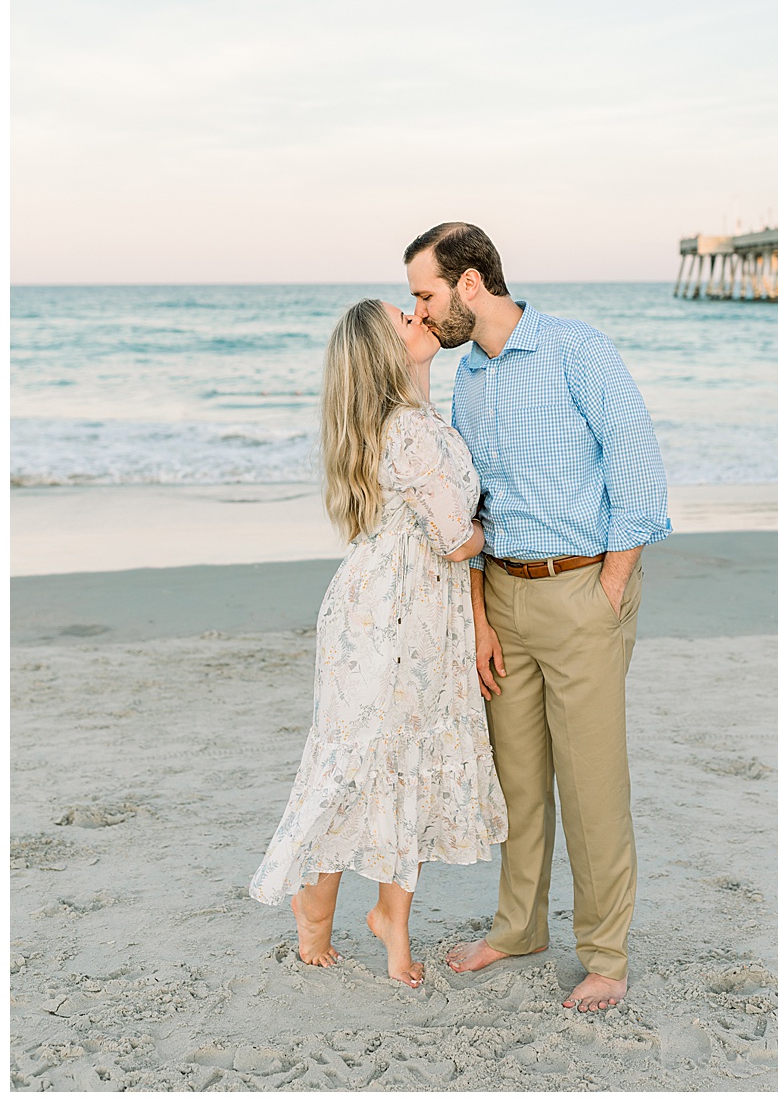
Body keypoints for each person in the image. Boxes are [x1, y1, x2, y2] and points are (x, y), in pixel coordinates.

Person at [404, 222, 671, 1015]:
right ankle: (519, 928)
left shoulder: (576, 350)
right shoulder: (469, 376)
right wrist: (481, 617)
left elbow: (636, 463)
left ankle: (606, 956)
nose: (419, 312)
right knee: (516, 782)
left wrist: (612, 584)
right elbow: (470, 502)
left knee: (591, 788)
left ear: (471, 282)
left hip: (582, 592)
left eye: (425, 294)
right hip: (502, 599)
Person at [250, 299, 506, 987]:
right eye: (405, 318)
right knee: (365, 757)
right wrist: (514, 533)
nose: (421, 317)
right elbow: (457, 539)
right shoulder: (411, 429)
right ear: (384, 352)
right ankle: (315, 905)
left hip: (402, 608)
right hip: (394, 614)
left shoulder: (405, 418)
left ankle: (390, 916)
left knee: (397, 758)